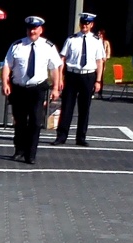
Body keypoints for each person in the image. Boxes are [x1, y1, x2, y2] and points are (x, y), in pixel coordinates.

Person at [2, 16, 62, 165]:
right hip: (19, 88)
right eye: (30, 28)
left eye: (35, 28)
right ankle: (19, 150)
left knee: (35, 122)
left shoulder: (48, 46)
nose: (32, 31)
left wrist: (56, 87)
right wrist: (5, 83)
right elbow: (7, 65)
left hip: (37, 89)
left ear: (41, 30)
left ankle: (31, 154)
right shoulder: (17, 45)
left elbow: (55, 68)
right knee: (20, 121)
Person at [52, 12, 105, 147]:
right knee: (67, 106)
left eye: (87, 24)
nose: (84, 26)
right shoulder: (71, 39)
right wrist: (61, 78)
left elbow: (99, 61)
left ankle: (81, 137)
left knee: (84, 107)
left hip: (88, 75)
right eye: (82, 23)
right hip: (72, 74)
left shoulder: (97, 41)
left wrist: (98, 80)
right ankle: (61, 136)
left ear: (92, 25)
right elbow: (62, 59)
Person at [96, 29, 111, 98]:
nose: (99, 35)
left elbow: (108, 52)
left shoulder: (105, 42)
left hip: (102, 61)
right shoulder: (95, 41)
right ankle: (92, 92)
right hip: (94, 61)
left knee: (100, 77)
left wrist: (105, 58)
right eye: (98, 33)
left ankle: (100, 93)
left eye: (100, 34)